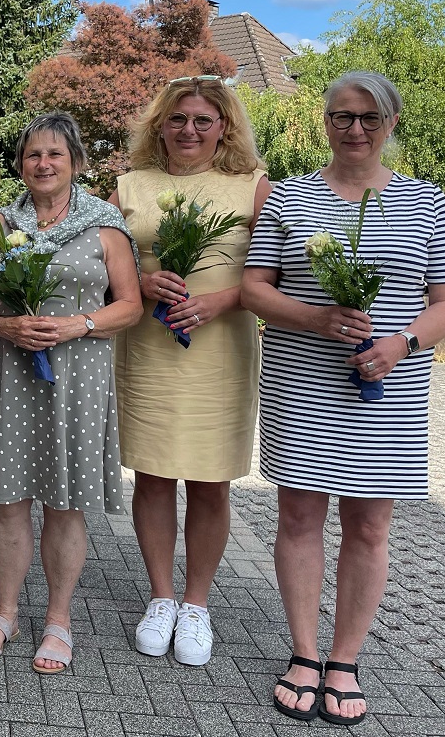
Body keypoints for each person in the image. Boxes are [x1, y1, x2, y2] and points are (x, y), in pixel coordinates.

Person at [242, 71, 445, 725]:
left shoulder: (429, 203)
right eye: (342, 116)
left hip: (388, 390)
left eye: (369, 117)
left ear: (390, 124)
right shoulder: (291, 197)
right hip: (302, 383)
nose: (354, 129)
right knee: (299, 520)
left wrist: (404, 345)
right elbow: (254, 288)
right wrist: (314, 318)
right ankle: (304, 653)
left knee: (369, 526)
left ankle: (346, 659)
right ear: (326, 121)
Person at [0, 112, 142, 673]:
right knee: (9, 501)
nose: (43, 164)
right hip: (13, 371)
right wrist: (5, 326)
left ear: (76, 163)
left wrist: (77, 324)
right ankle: (5, 612)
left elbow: (131, 304)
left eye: (55, 155)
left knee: (65, 505)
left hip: (79, 376)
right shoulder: (1, 223)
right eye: (33, 155)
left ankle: (59, 620)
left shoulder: (105, 224)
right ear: (20, 164)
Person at [110, 76, 272, 666]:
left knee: (209, 479)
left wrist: (221, 301)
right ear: (160, 124)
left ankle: (197, 604)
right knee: (152, 475)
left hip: (219, 347)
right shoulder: (130, 183)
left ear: (224, 127)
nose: (190, 131)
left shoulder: (251, 186)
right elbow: (107, 261)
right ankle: (161, 597)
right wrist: (141, 281)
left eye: (204, 121)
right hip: (150, 345)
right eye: (179, 119)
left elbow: (268, 274)